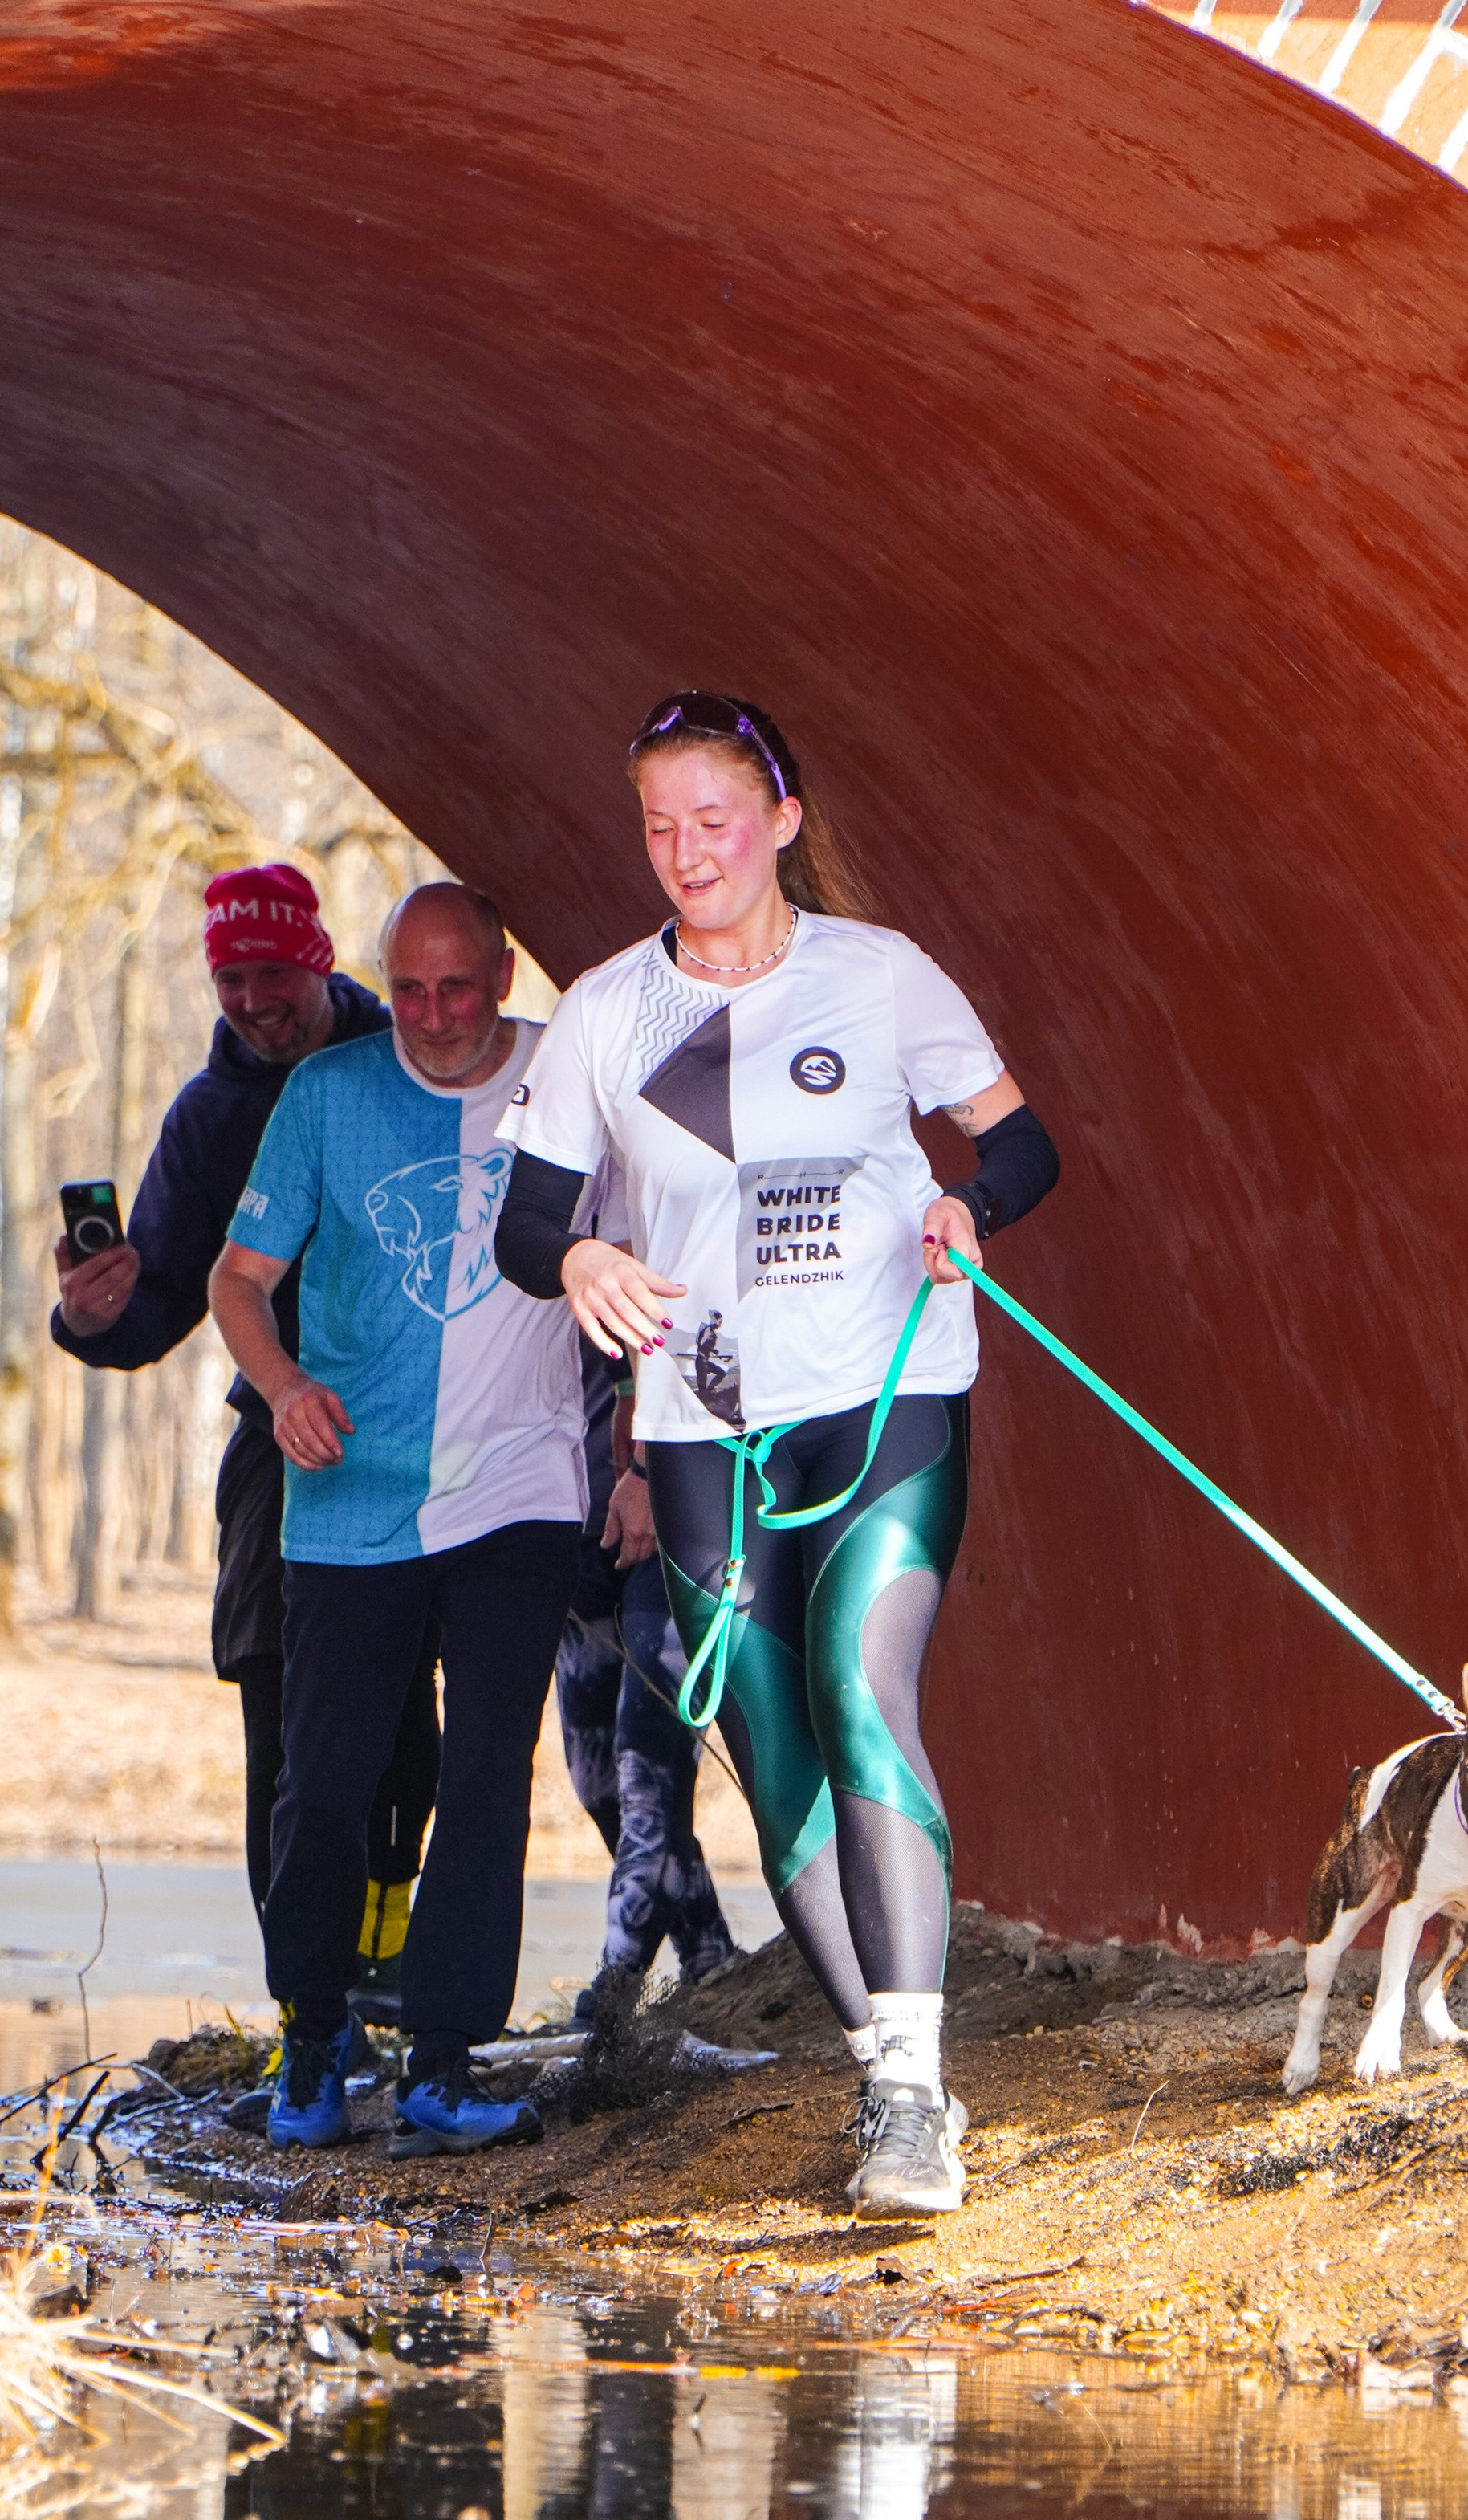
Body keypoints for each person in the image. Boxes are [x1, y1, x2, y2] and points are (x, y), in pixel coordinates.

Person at [495, 690, 1059, 2215]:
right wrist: (580, 1261)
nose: (689, 852)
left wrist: (968, 1207)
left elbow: (1022, 1142)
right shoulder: (607, 1011)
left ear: (783, 822)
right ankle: (887, 2071)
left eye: (717, 821)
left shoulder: (878, 976)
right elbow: (527, 1225)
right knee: (768, 1746)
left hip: (883, 1397)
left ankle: (916, 2099)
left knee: (860, 1691)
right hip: (702, 1429)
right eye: (661, 827)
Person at [209, 879, 585, 2155]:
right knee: (325, 1782)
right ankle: (313, 2040)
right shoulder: (329, 1095)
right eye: (408, 989)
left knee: (485, 1773)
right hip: (350, 1492)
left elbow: (657, 1250)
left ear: (503, 975)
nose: (430, 1015)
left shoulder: (568, 1078)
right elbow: (238, 1279)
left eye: (456, 987)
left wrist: (641, 1449)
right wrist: (282, 1387)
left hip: (522, 1487)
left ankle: (444, 2059)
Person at [51, 863, 441, 2002]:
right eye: (231, 980)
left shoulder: (409, 1059)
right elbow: (163, 1302)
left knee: (404, 1721)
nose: (254, 1001)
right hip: (279, 1434)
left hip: (426, 1429)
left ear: (318, 961)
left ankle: (389, 1948)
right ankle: (304, 1997)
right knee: (276, 1705)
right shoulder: (209, 1116)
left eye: (274, 974)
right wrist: (93, 1318)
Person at [553, 1328, 738, 2012]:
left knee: (647, 1776)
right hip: (575, 1523)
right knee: (596, 1781)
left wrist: (648, 1468)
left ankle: (613, 1993)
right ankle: (711, 1958)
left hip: (678, 1513)